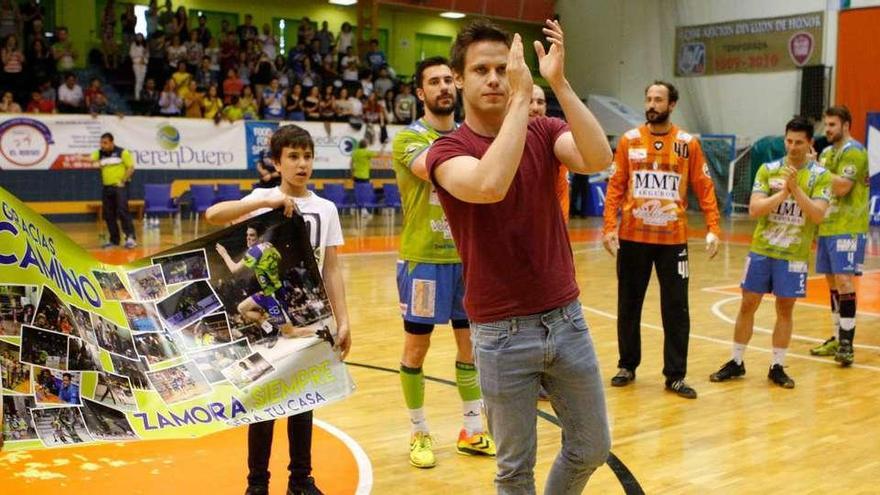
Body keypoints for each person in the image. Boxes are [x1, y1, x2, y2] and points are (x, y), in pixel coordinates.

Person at [425, 19, 611, 493]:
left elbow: (597, 158)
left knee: (592, 446)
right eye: (481, 70)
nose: (493, 79)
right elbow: (489, 184)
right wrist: (519, 104)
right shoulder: (446, 150)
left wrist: (559, 84)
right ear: (459, 78)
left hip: (566, 319)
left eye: (501, 69)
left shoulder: (544, 129)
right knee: (514, 470)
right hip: (500, 332)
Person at [206, 124, 351, 495]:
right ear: (277, 162)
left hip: (310, 312)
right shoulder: (262, 198)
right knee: (265, 403)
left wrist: (344, 320)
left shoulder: (326, 209)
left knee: (304, 401)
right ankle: (257, 484)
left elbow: (331, 268)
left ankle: (300, 480)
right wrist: (263, 203)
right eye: (293, 156)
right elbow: (213, 215)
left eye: (307, 156)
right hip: (269, 312)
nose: (302, 164)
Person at [392, 56, 496, 469]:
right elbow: (434, 170)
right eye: (433, 82)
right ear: (420, 92)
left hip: (468, 259)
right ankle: (419, 431)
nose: (443, 88)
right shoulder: (408, 140)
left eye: (448, 80)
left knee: (470, 347)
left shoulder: (472, 135)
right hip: (423, 259)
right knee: (416, 348)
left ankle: (472, 429)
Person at [601, 80, 721, 399]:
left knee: (676, 308)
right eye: (648, 98)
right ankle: (627, 365)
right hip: (633, 237)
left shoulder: (687, 143)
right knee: (629, 304)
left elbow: (704, 187)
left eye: (659, 100)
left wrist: (713, 227)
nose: (652, 104)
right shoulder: (628, 141)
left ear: (672, 105)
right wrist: (609, 227)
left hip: (673, 239)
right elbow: (615, 187)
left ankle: (675, 375)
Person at [710, 116, 832, 389]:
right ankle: (736, 361)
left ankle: (777, 365)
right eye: (789, 141)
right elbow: (755, 209)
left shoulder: (820, 176)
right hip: (762, 249)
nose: (793, 147)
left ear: (810, 143)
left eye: (799, 142)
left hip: (793, 255)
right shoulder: (768, 169)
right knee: (747, 303)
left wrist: (796, 189)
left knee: (785, 309)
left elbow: (818, 214)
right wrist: (781, 195)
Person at [808, 106, 870, 366]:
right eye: (826, 124)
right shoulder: (826, 153)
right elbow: (821, 188)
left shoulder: (854, 152)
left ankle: (847, 343)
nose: (828, 129)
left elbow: (843, 187)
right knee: (832, 283)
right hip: (828, 225)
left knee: (845, 282)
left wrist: (816, 168)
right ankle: (836, 336)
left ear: (846, 125)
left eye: (832, 125)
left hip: (848, 226)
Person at [529, 84, 571, 224]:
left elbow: (562, 190)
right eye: (529, 101)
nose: (535, 108)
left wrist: (561, 227)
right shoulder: (503, 137)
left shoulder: (556, 138)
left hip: (548, 228)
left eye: (540, 102)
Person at [90, 133, 137, 249]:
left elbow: (131, 167)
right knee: (108, 214)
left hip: (120, 187)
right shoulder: (100, 153)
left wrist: (123, 181)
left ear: (112, 142)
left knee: (122, 211)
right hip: (107, 187)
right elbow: (90, 159)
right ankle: (114, 240)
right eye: (101, 143)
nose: (103, 145)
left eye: (105, 143)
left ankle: (130, 238)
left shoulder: (122, 152)